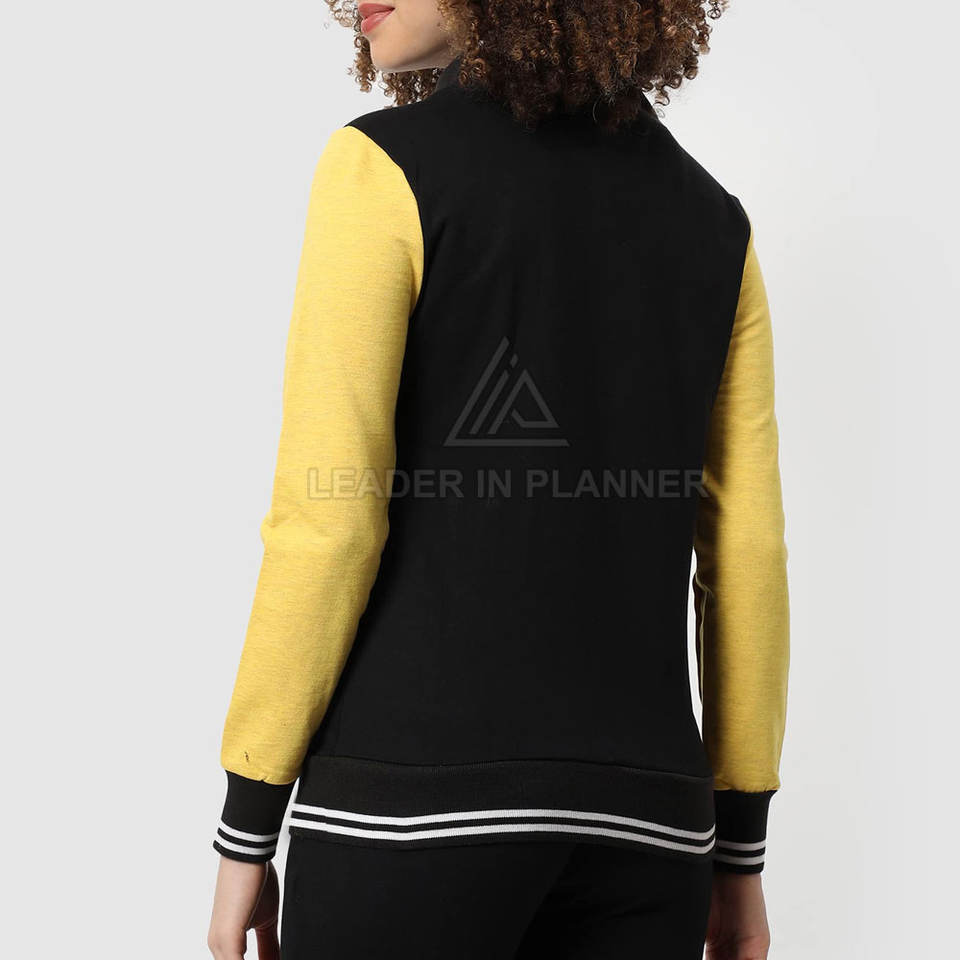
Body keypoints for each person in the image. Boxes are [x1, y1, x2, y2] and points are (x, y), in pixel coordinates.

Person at [207, 1, 790, 957]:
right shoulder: (715, 223)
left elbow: (329, 522)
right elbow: (747, 553)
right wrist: (740, 855)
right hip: (650, 833)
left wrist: (248, 820)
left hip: (410, 814)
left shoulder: (383, 167)